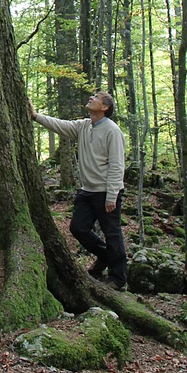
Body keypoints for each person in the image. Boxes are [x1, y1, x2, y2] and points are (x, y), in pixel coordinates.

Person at [29, 91, 127, 291]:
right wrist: (35, 116)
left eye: (97, 97)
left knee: (112, 233)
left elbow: (117, 165)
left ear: (105, 107)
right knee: (78, 228)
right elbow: (61, 126)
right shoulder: (84, 126)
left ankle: (118, 279)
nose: (92, 97)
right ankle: (106, 257)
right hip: (87, 191)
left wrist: (112, 195)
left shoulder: (112, 130)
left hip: (105, 191)